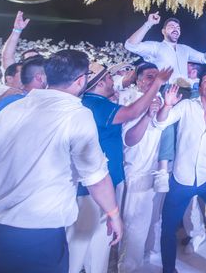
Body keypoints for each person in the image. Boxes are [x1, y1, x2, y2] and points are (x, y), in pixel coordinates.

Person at [0, 50, 122, 272]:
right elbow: (96, 177)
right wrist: (113, 214)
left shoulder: (10, 108)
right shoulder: (76, 114)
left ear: (46, 76)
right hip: (35, 238)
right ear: (81, 80)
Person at [66, 62, 172, 273]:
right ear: (99, 83)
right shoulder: (97, 104)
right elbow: (132, 114)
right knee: (90, 241)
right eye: (108, 78)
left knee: (96, 241)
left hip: (105, 179)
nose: (112, 81)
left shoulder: (94, 102)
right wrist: (157, 85)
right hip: (96, 184)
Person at [154, 73, 206, 273]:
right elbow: (160, 123)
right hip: (181, 179)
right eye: (205, 81)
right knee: (168, 228)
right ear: (200, 88)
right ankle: (168, 269)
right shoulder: (186, 106)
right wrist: (167, 105)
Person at [117, 62, 166, 273]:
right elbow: (129, 139)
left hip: (155, 170)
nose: (154, 81)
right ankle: (126, 268)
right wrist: (147, 115)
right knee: (133, 226)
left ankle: (144, 259)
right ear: (137, 80)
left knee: (150, 221)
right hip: (135, 171)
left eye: (157, 77)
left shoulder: (161, 99)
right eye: (149, 77)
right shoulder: (130, 99)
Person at [0, 57, 48, 201]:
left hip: (4, 180)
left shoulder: (25, 99)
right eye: (22, 73)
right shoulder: (2, 96)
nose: (25, 76)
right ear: (9, 78)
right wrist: (0, 99)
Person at [125, 13, 206, 84]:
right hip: (163, 90)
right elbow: (130, 45)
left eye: (178, 28)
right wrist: (149, 23)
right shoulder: (156, 47)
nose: (175, 29)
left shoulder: (184, 49)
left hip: (184, 91)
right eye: (171, 27)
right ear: (163, 31)